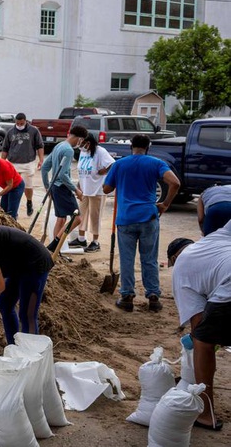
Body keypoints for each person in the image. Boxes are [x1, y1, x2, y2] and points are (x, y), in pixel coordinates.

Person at [103, 134, 180, 313]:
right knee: (150, 259)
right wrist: (165, 204)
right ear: (148, 147)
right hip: (148, 217)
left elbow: (107, 189)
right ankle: (153, 297)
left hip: (126, 219)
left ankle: (127, 296)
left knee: (127, 260)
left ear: (131, 146)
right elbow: (175, 183)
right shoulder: (156, 163)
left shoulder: (120, 164)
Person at [167, 221, 231, 431]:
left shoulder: (181, 268)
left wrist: (200, 345)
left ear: (173, 259)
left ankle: (205, 414)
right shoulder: (215, 237)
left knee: (203, 341)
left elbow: (198, 324)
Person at [41, 125, 88, 253]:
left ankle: (57, 252)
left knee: (61, 219)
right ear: (78, 138)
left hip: (55, 188)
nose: (81, 144)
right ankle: (54, 245)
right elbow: (62, 175)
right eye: (81, 141)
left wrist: (48, 187)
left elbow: (45, 167)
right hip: (62, 188)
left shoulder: (59, 145)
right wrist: (76, 190)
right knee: (77, 218)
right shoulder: (68, 150)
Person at [68, 133, 115, 253]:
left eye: (84, 142)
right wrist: (79, 185)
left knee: (95, 216)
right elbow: (82, 169)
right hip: (84, 189)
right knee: (81, 214)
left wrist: (104, 170)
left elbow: (113, 164)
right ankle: (81, 238)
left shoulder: (100, 151)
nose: (82, 145)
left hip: (97, 189)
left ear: (90, 142)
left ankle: (95, 241)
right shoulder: (84, 152)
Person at [1, 113, 45, 216]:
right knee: (10, 185)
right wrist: (2, 162)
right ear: (15, 122)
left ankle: (29, 201)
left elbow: (40, 146)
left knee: (27, 186)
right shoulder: (10, 132)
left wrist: (41, 160)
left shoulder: (33, 131)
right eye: (18, 123)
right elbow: (5, 148)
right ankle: (11, 208)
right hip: (12, 163)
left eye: (21, 123)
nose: (20, 125)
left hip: (27, 163)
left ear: (25, 121)